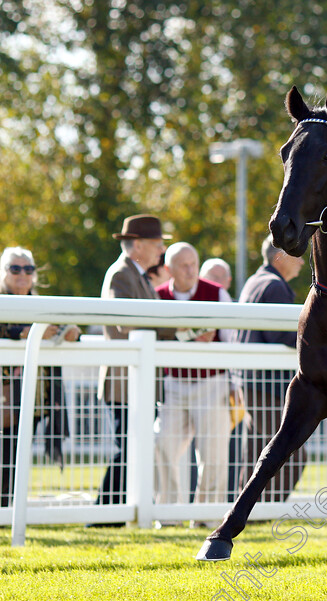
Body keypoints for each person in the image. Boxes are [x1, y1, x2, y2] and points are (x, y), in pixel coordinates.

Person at [92, 215, 176, 522]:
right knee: (127, 449)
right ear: (137, 245)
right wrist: (173, 329)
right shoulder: (122, 274)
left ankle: (108, 515)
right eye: (157, 244)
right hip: (124, 381)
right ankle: (103, 515)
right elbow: (125, 322)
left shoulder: (135, 274)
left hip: (134, 381)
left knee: (131, 449)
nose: (162, 249)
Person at [154, 242, 234, 507]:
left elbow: (233, 341)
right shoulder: (157, 296)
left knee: (213, 454)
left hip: (212, 383)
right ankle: (168, 513)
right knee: (162, 445)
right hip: (174, 384)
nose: (190, 270)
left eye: (194, 264)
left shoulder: (217, 293)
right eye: (184, 265)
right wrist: (190, 337)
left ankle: (206, 516)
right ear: (169, 268)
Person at [1, 247, 79, 507]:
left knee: (15, 458)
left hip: (32, 398)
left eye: (28, 269)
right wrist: (21, 333)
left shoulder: (43, 305)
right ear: (4, 272)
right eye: (15, 268)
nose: (22, 274)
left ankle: (7, 511)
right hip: (6, 396)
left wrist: (71, 331)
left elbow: (66, 326)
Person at [236, 236, 306, 502]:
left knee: (256, 451)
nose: (301, 261)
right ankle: (263, 509)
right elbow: (282, 336)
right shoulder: (274, 286)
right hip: (268, 386)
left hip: (251, 381)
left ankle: (248, 509)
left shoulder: (255, 281)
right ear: (280, 257)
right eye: (296, 254)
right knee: (293, 452)